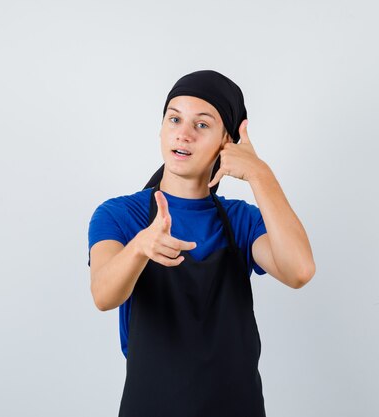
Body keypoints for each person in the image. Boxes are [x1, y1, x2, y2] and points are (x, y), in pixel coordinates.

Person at [87, 69, 315, 416]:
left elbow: (299, 270)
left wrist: (259, 173)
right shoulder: (120, 215)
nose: (183, 134)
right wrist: (140, 247)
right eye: (174, 119)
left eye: (202, 125)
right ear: (161, 129)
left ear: (227, 143)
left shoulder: (240, 221)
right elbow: (104, 296)